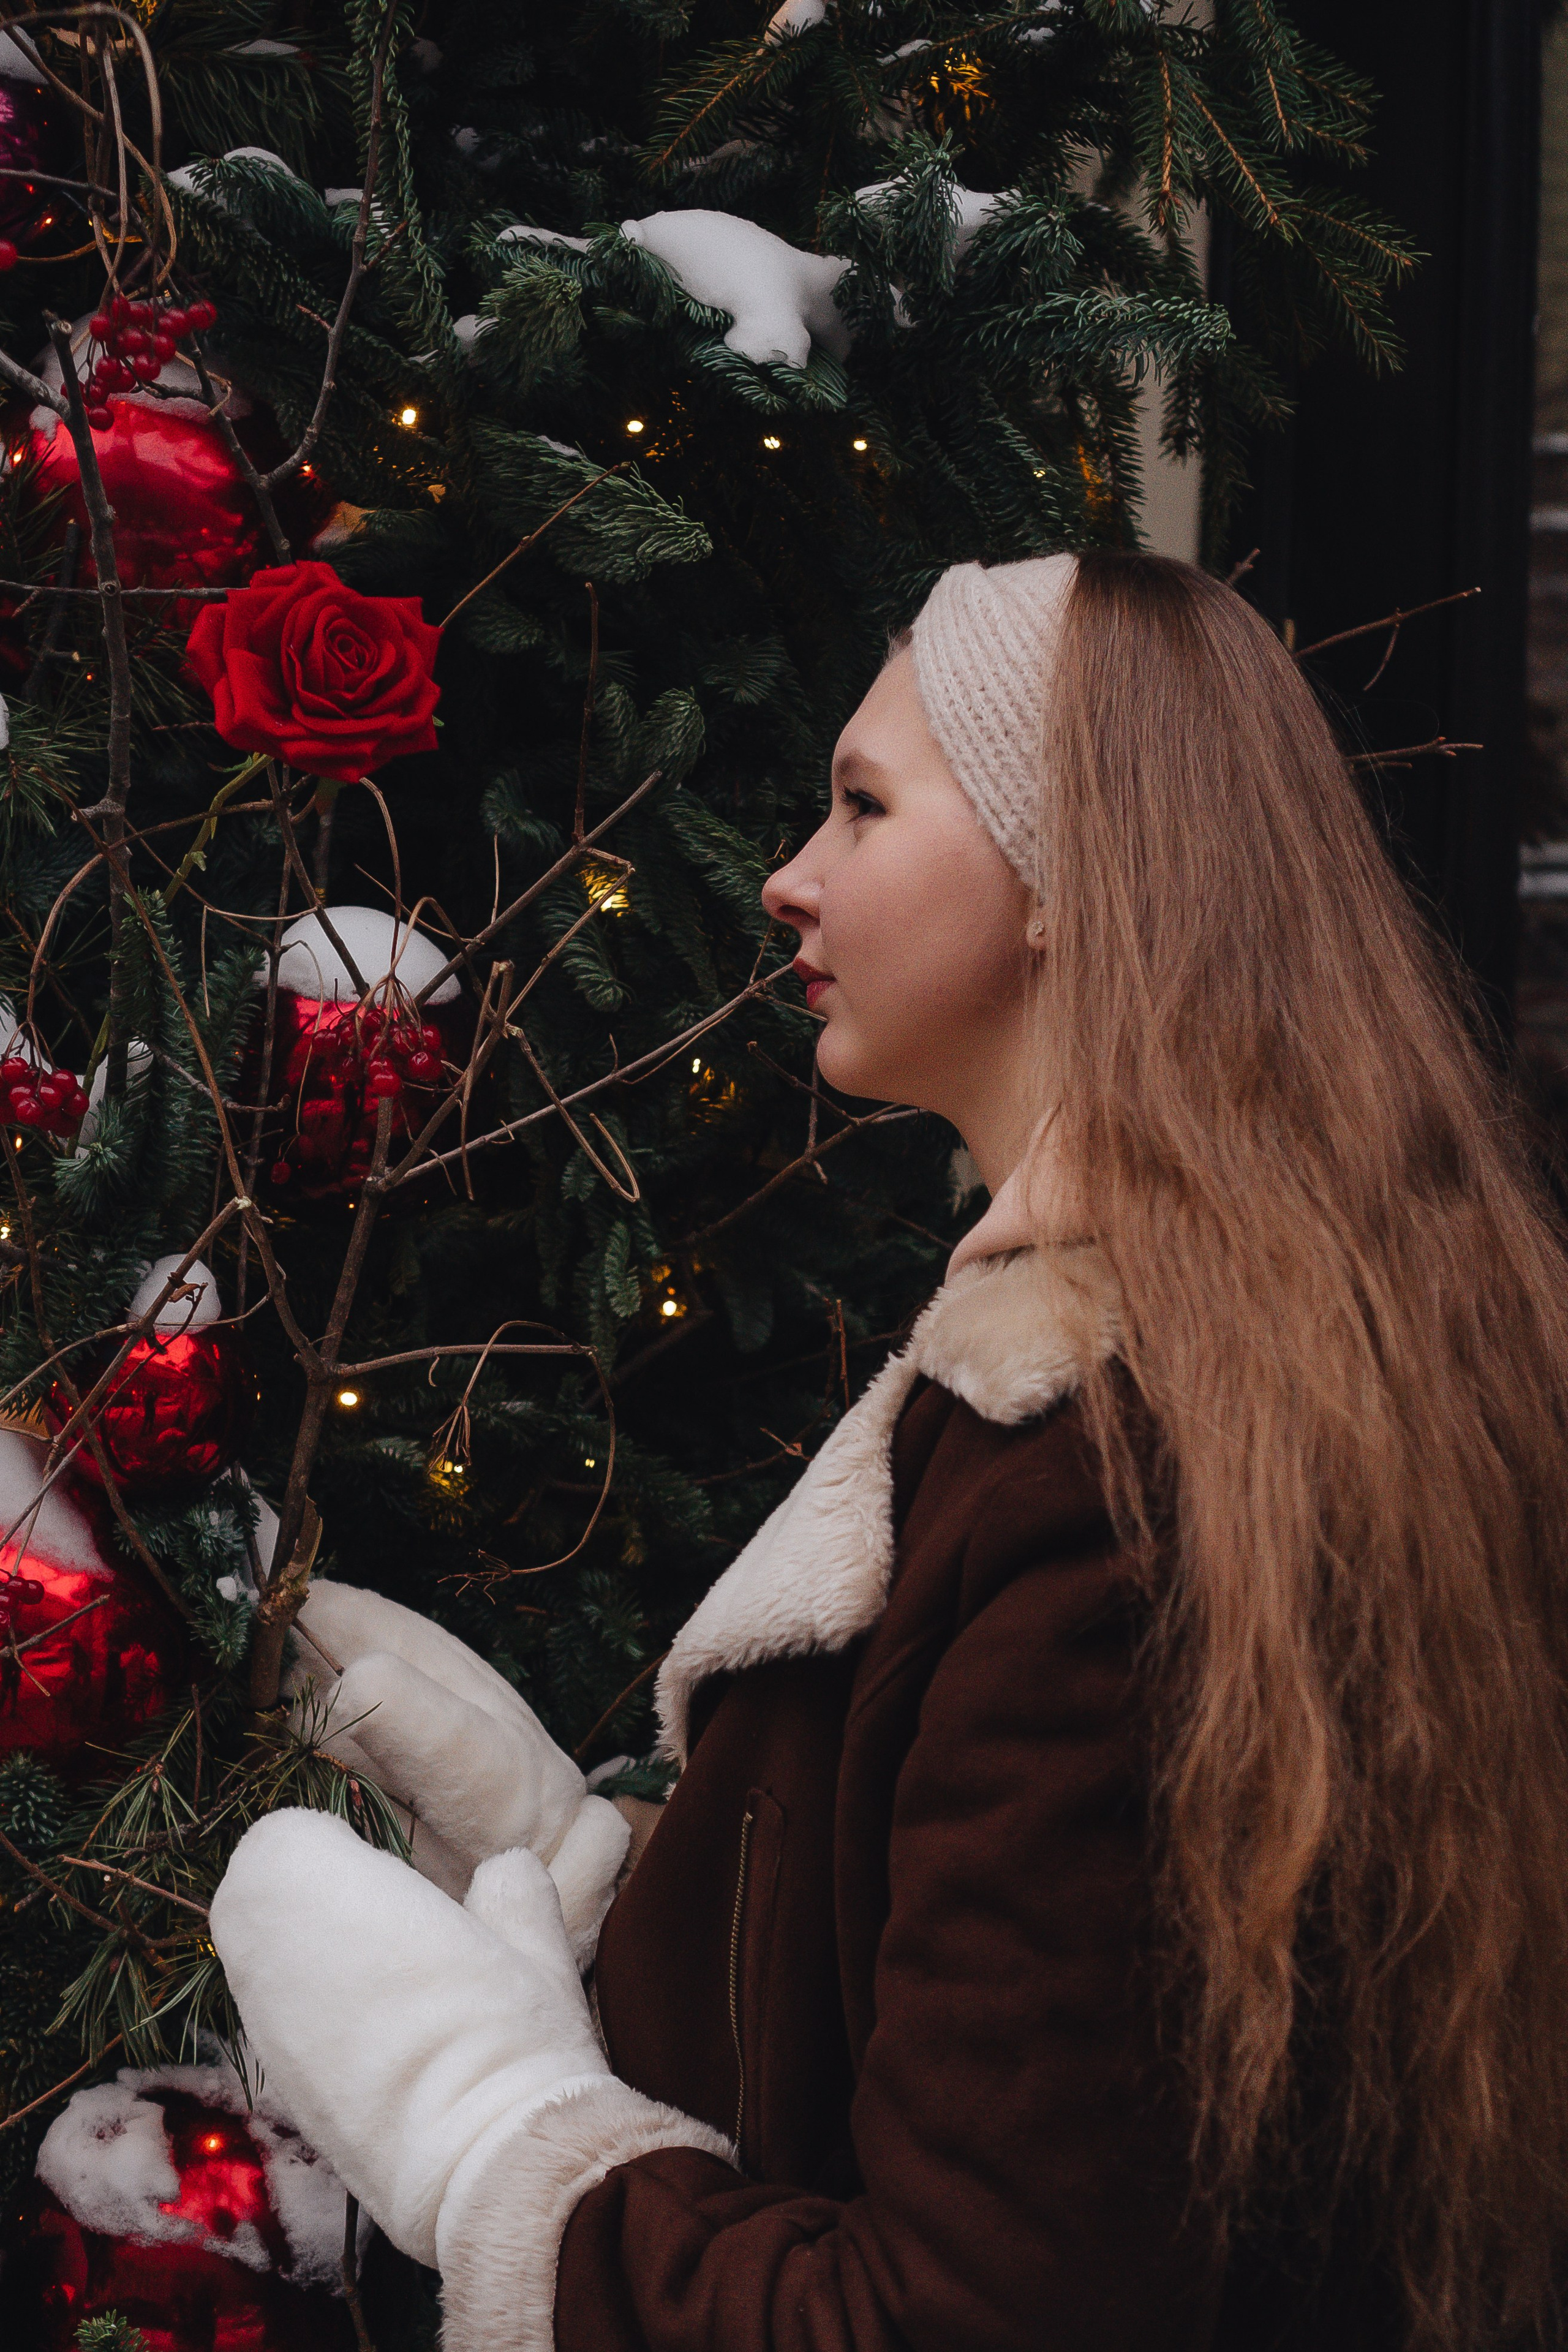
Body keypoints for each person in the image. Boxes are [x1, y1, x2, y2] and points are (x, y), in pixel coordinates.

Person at [210, 552, 1568, 2352]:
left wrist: (487, 2142)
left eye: (864, 803)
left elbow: (978, 2306)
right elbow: (969, 2011)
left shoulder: (1115, 1487)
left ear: (1073, 869)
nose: (789, 873)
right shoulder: (1178, 1373)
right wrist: (580, 1872)